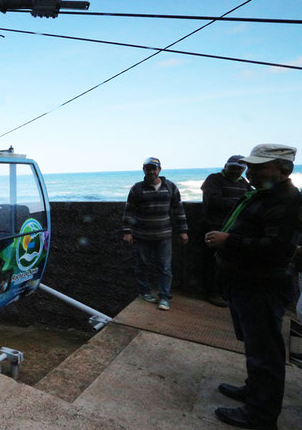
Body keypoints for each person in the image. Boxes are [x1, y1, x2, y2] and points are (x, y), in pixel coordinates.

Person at [205, 144, 302, 429]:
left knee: (266, 352)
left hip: (263, 286)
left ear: (284, 170)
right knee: (255, 345)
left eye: (260, 167)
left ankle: (261, 414)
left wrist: (228, 241)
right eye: (251, 166)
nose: (252, 172)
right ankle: (253, 390)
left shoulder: (287, 201)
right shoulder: (265, 195)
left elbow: (279, 249)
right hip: (246, 282)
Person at [123, 157, 189, 311]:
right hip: (142, 235)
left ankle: (165, 297)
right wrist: (127, 232)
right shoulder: (137, 188)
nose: (151, 171)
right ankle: (144, 292)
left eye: (154, 168)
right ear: (143, 170)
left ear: (159, 169)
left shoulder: (170, 187)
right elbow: (129, 211)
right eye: (148, 168)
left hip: (164, 235)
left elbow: (178, 210)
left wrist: (183, 230)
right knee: (142, 265)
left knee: (165, 267)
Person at [201, 155, 252, 307]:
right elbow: (214, 200)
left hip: (234, 229)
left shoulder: (243, 182)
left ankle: (225, 292)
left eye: (240, 169)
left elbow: (252, 196)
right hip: (214, 226)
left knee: (229, 262)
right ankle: (212, 292)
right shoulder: (214, 179)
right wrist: (241, 204)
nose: (236, 171)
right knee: (212, 261)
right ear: (225, 166)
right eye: (233, 168)